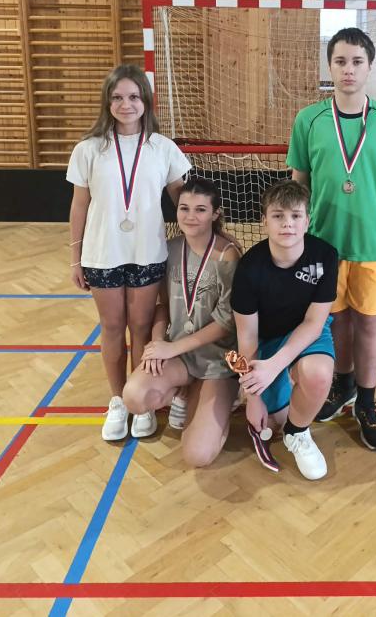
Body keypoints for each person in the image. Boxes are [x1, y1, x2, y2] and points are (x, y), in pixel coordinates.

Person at [287, 27, 376, 451]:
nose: (348, 69)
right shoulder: (308, 120)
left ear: (370, 67)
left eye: (357, 61)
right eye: (340, 61)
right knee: (335, 320)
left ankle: (368, 402)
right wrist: (293, 243)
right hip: (323, 244)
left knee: (370, 322)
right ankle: (343, 385)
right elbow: (297, 184)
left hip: (373, 242)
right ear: (330, 66)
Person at [67, 65, 189, 442]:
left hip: (147, 253)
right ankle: (118, 400)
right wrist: (75, 258)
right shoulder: (89, 149)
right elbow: (79, 205)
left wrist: (211, 237)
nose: (126, 104)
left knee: (140, 328)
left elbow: (183, 200)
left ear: (145, 101)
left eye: (134, 96)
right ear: (107, 102)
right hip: (102, 254)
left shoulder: (163, 147)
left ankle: (141, 402)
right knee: (112, 327)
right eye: (117, 97)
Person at [122, 178, 240, 466]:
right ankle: (183, 391)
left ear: (215, 214)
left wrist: (172, 348)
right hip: (179, 356)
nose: (190, 216)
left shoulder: (228, 255)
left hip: (217, 360)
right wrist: (158, 343)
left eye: (200, 210)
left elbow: (227, 322)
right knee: (134, 397)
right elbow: (163, 306)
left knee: (198, 456)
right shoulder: (169, 249)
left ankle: (223, 398)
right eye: (184, 208)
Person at [231, 180, 338, 480]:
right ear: (264, 221)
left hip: (305, 333)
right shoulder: (249, 268)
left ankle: (298, 433)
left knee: (318, 375)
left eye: (295, 215)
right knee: (270, 421)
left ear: (307, 221)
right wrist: (253, 396)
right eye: (278, 215)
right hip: (264, 340)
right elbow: (247, 335)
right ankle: (283, 403)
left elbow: (314, 323)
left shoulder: (325, 256)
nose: (287, 223)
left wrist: (274, 366)